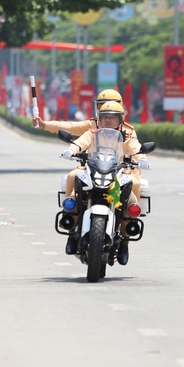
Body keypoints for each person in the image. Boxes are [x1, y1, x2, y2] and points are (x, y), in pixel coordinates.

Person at [60, 101, 149, 264]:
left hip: (116, 176)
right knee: (73, 197)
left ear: (120, 120)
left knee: (131, 204)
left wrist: (141, 159)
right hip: (94, 172)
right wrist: (71, 150)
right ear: (99, 118)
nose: (108, 120)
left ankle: (124, 243)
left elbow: (136, 148)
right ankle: (72, 234)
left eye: (112, 117)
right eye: (104, 117)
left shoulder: (126, 137)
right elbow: (80, 143)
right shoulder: (92, 133)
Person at [33, 89, 142, 211]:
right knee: (72, 176)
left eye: (112, 114)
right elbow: (71, 129)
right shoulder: (93, 127)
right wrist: (45, 125)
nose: (106, 110)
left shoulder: (127, 131)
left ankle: (131, 219)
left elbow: (135, 147)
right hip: (96, 167)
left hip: (121, 169)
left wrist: (141, 159)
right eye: (101, 106)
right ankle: (70, 211)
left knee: (135, 184)